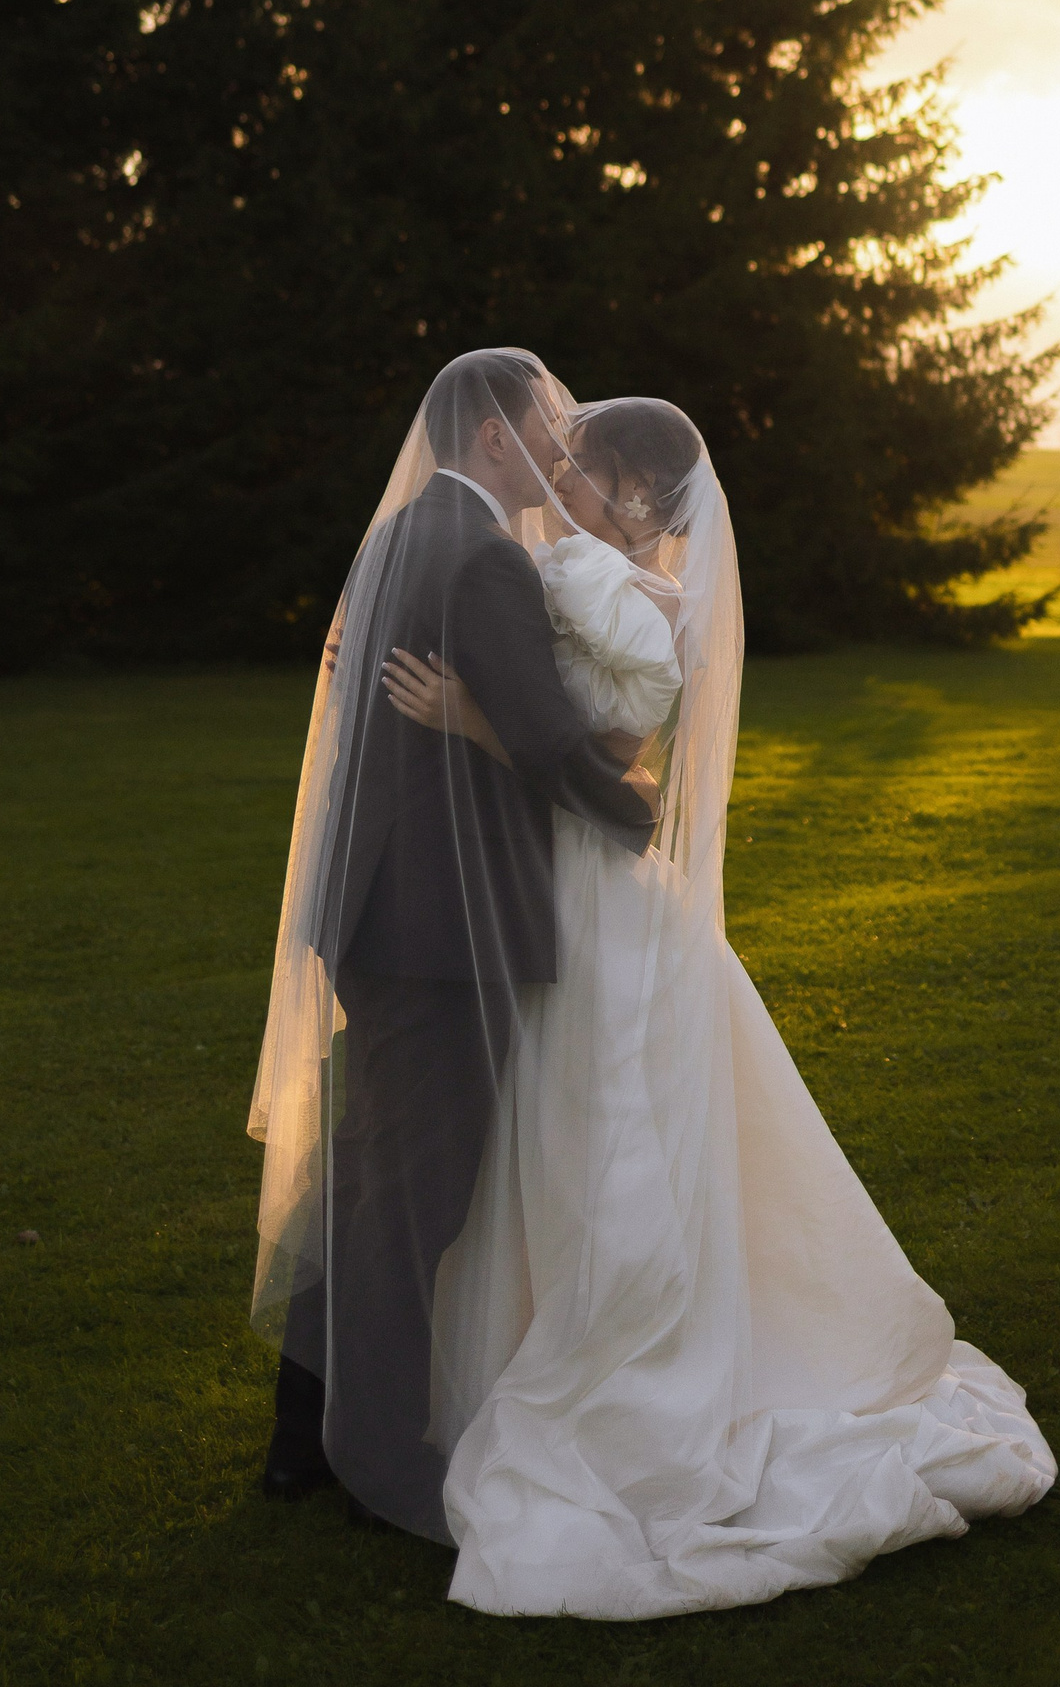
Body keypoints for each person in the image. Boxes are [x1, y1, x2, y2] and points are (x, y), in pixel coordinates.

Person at [376, 392, 1056, 1618]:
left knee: (600, 1132)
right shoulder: (579, 573)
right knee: (551, 1131)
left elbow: (597, 766)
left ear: (639, 497)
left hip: (591, 893)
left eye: (583, 463)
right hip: (562, 887)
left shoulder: (621, 594)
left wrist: (472, 718)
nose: (560, 471)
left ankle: (622, 1367)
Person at [247, 350, 656, 1537]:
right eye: (546, 428)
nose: (561, 449)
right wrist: (638, 810)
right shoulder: (482, 557)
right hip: (440, 932)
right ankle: (377, 1456)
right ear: (490, 437)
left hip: (382, 909)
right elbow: (546, 741)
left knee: (365, 1185)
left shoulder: (398, 536)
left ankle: (301, 1439)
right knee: (412, 1205)